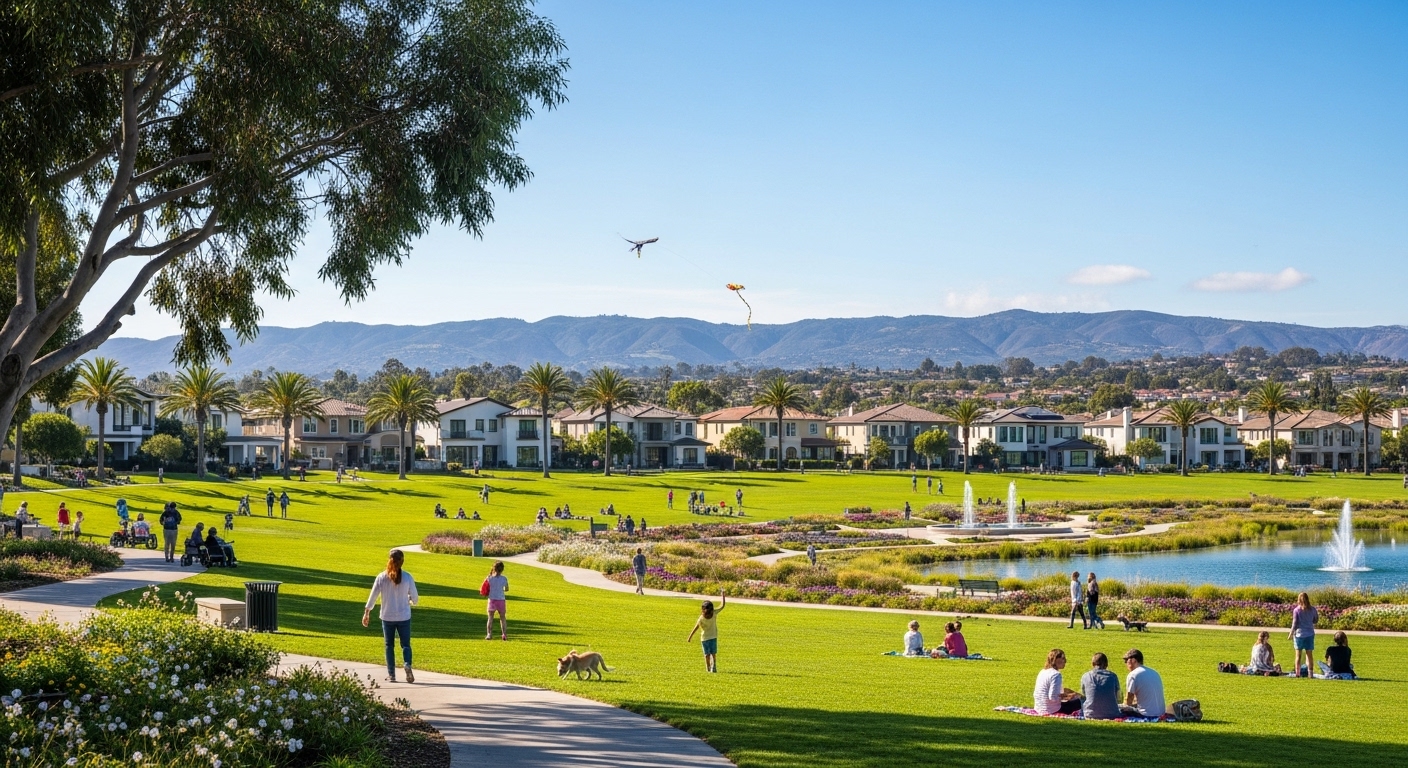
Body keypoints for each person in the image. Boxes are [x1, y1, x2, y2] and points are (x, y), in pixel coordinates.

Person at [364, 549, 419, 683]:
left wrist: (367, 612)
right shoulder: (407, 577)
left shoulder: (382, 577)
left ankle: (391, 674)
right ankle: (407, 663)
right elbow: (415, 598)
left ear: (389, 560)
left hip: (387, 616)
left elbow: (373, 596)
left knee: (389, 645)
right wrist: (409, 600)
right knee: (405, 644)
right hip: (404, 616)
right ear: (402, 561)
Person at [686, 591, 727, 673]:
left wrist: (723, 595)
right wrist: (690, 637)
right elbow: (696, 627)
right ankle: (708, 667)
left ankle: (714, 666)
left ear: (712, 610)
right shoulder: (701, 618)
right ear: (703, 611)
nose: (708, 615)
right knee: (707, 655)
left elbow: (722, 606)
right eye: (707, 614)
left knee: (713, 653)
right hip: (704, 639)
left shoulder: (715, 613)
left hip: (713, 637)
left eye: (710, 613)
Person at [1033, 648, 1083, 715]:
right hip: (1051, 710)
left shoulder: (1042, 671)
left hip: (1039, 708)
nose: (1065, 661)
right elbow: (1053, 697)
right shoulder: (1056, 675)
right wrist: (1069, 696)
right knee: (1081, 701)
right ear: (1056, 660)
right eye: (1063, 658)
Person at [1121, 649, 1165, 718]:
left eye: (1127, 660)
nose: (1126, 663)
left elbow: (1128, 701)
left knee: (1119, 708)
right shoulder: (1154, 672)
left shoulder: (1133, 675)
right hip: (1160, 713)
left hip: (1145, 714)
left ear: (1133, 660)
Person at [1080, 653, 1122, 720]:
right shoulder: (1113, 676)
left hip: (1090, 714)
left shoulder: (1086, 676)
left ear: (1093, 664)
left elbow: (1084, 695)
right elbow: (1118, 697)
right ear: (1106, 665)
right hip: (1112, 714)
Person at [1290, 591, 1318, 677]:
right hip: (1309, 634)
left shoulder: (1296, 610)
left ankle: (1297, 673)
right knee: (1309, 655)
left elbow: (1294, 623)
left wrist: (1291, 633)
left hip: (1299, 634)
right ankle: (1310, 674)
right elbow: (1316, 620)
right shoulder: (1313, 609)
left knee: (1298, 655)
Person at [485, 561, 509, 640]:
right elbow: (506, 589)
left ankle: (489, 634)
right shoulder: (504, 579)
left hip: (492, 599)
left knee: (490, 618)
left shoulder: (489, 578)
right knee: (502, 618)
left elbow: (485, 588)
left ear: (494, 568)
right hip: (501, 600)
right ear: (502, 569)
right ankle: (504, 634)